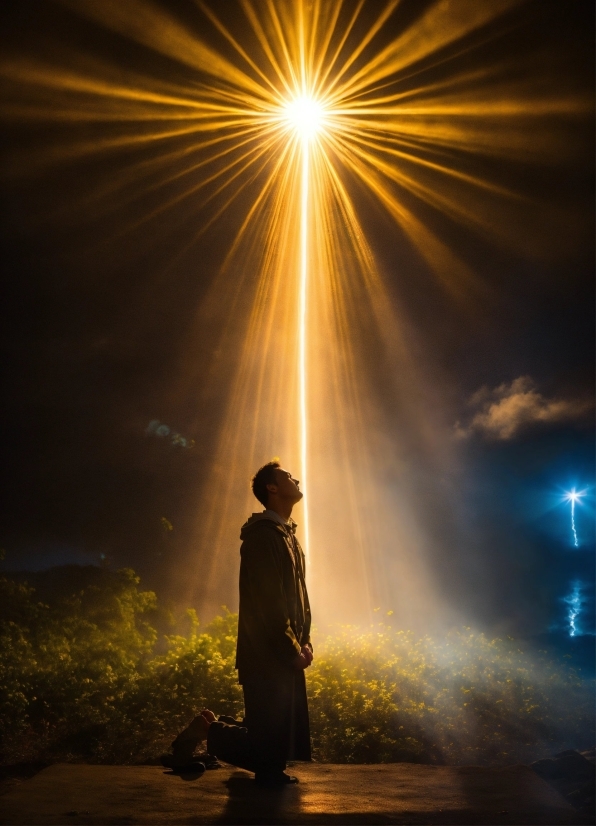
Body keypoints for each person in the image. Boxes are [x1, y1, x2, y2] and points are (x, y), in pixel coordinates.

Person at [163, 461, 313, 787]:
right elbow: (270, 601)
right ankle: (207, 729)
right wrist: (291, 648)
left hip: (281, 649)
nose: (296, 478)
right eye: (288, 476)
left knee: (274, 745)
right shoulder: (263, 538)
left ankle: (210, 725)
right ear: (272, 488)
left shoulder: (286, 537)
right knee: (268, 752)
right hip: (266, 652)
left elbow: (297, 598)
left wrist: (305, 641)